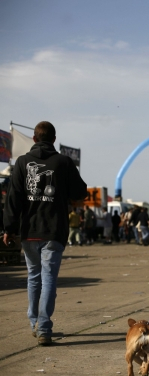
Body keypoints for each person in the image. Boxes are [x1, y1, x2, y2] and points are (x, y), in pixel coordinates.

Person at [3, 121, 88, 345]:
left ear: (34, 139)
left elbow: (13, 200)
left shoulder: (21, 162)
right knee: (49, 277)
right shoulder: (64, 162)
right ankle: (44, 327)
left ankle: (35, 323)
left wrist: (9, 229)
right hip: (54, 231)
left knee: (34, 277)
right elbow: (81, 192)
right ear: (53, 139)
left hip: (29, 231)